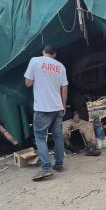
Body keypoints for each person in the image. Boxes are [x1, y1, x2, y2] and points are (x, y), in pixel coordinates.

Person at [24, 45, 68, 181]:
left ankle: (47, 168)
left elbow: (28, 83)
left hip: (43, 108)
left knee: (40, 137)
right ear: (54, 54)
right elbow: (64, 87)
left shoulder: (35, 61)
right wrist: (63, 105)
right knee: (58, 136)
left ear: (43, 52)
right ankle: (59, 164)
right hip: (57, 106)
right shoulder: (60, 66)